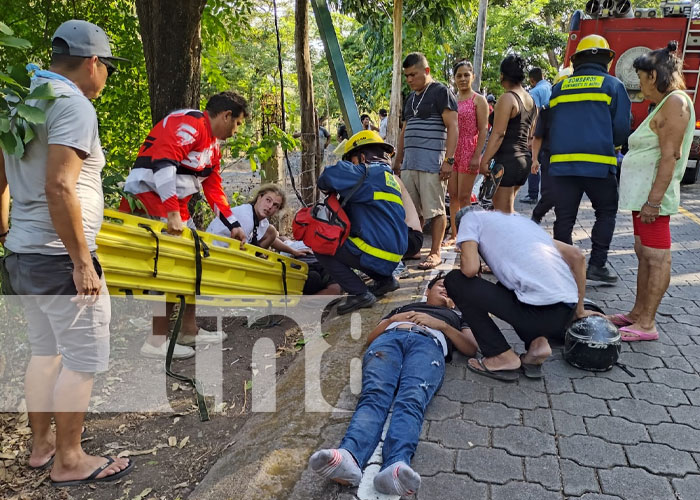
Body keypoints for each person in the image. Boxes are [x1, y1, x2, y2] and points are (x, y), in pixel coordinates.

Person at [0, 20, 133, 485]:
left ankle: (42, 448)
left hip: (22, 254)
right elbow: (60, 186)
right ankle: (70, 460)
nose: (105, 79)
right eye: (107, 69)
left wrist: (5, 231)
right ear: (93, 62)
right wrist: (81, 263)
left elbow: (2, 175)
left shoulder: (21, 97)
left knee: (45, 351)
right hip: (59, 258)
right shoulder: (71, 103)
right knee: (81, 358)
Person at [309, 275, 477, 496]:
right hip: (389, 341)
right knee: (374, 394)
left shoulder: (459, 316)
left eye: (452, 291)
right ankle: (349, 456)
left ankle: (396, 466)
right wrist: (393, 320)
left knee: (412, 399)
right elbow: (371, 337)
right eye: (442, 286)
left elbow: (470, 349)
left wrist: (443, 325)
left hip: (428, 345)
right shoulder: (404, 307)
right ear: (427, 290)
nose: (446, 290)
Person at [120, 91, 250, 358]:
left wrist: (233, 224)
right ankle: (155, 341)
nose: (236, 131)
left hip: (174, 206)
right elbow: (163, 164)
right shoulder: (190, 124)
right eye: (237, 124)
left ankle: (188, 330)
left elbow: (214, 188)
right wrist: (170, 213)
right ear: (226, 115)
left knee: (193, 262)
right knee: (171, 267)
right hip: (150, 199)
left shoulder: (212, 147)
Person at [444, 206, 601, 381]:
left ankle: (500, 355)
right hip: (564, 314)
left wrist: (468, 253)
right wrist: (579, 311)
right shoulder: (518, 223)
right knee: (504, 287)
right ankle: (537, 346)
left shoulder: (469, 219)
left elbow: (470, 270)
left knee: (455, 280)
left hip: (537, 314)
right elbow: (577, 256)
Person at [613, 43, 694, 341]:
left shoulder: (676, 102)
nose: (639, 84)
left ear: (654, 74)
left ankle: (647, 323)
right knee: (644, 254)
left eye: (641, 76)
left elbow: (670, 157)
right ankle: (637, 314)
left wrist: (653, 202)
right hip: (642, 198)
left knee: (656, 257)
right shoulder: (663, 104)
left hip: (653, 200)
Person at [548, 35, 631, 284]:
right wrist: (611, 146)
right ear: (607, 59)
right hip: (598, 164)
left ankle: (563, 266)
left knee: (564, 217)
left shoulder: (559, 88)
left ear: (577, 60)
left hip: (562, 166)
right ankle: (597, 265)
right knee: (605, 212)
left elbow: (551, 124)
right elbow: (621, 129)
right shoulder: (613, 86)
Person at [315, 131, 408, 315]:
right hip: (394, 256)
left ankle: (360, 293)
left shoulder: (366, 172)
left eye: (352, 160)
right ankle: (385, 281)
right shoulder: (390, 179)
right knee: (360, 243)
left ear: (362, 157)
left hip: (378, 252)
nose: (351, 164)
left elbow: (327, 177)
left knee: (321, 244)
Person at [394, 52, 459, 270]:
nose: (410, 79)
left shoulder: (441, 92)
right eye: (407, 76)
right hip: (409, 165)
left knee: (436, 210)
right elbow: (404, 130)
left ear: (427, 71)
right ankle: (413, 249)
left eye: (414, 74)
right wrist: (398, 160)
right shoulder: (411, 98)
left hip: (432, 163)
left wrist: (449, 160)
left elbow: (453, 127)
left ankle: (435, 252)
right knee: (411, 212)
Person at [479, 54, 536, 214]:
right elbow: (530, 134)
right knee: (508, 212)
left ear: (502, 75)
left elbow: (498, 134)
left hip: (506, 162)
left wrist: (485, 161)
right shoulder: (531, 101)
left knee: (503, 216)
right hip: (523, 160)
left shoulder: (507, 98)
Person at [444, 59, 489, 247]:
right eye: (459, 75)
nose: (462, 79)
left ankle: (468, 236)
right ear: (454, 78)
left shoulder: (478, 100)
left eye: (466, 75)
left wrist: (477, 155)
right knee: (452, 195)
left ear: (473, 76)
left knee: (464, 197)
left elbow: (484, 129)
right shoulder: (451, 100)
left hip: (469, 149)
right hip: (453, 150)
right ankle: (455, 235)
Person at [531, 67, 573, 224]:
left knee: (566, 200)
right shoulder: (547, 110)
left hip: (571, 160)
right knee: (549, 194)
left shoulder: (580, 111)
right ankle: (536, 217)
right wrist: (534, 159)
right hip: (550, 159)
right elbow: (538, 136)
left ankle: (562, 233)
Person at [521, 67, 552, 205]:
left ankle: (533, 194)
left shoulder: (534, 91)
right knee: (547, 162)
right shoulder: (551, 87)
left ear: (532, 80)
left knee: (533, 161)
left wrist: (531, 136)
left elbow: (535, 114)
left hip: (540, 131)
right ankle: (549, 194)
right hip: (553, 130)